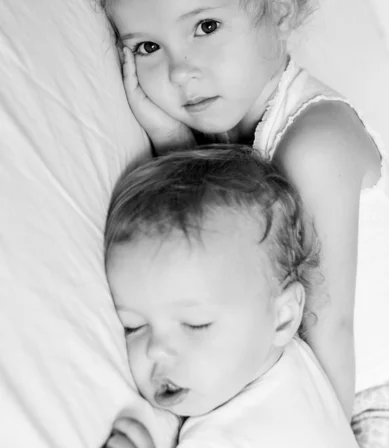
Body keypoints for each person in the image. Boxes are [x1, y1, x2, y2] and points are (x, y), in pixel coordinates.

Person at [85, 0, 389, 445]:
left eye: (205, 26)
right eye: (148, 47)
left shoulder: (314, 145)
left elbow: (329, 329)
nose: (179, 70)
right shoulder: (228, 134)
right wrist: (172, 142)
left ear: (279, 10)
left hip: (364, 397)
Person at [104, 145, 359, 448]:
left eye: (195, 324)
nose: (156, 350)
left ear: (284, 318)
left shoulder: (234, 434)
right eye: (133, 326)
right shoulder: (287, 366)